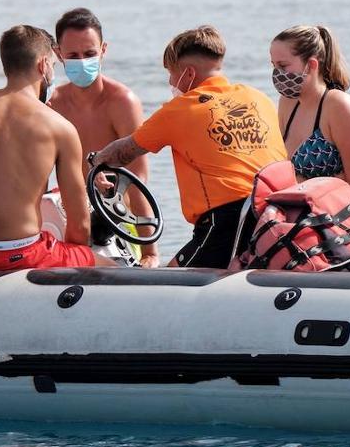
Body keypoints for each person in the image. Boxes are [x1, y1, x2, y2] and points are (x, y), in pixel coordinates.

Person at [92, 25, 287, 268]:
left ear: (189, 73)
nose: (171, 81)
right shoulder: (258, 98)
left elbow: (123, 153)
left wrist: (96, 161)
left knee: (167, 285)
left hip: (229, 219)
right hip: (278, 211)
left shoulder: (181, 108)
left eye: (171, 73)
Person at [0, 25, 106, 275]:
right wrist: (75, 260)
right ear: (43, 65)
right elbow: (79, 224)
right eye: (53, 64)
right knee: (112, 266)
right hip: (21, 254)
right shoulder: (60, 126)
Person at [48, 7, 159, 267]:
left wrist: (150, 253)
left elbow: (139, 178)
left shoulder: (122, 102)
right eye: (73, 55)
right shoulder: (51, 104)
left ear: (104, 50)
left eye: (89, 54)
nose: (82, 61)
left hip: (115, 218)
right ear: (57, 54)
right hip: (67, 215)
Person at [271, 24, 350, 199]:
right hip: (301, 215)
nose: (276, 73)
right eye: (273, 65)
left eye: (283, 65)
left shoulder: (339, 106)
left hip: (339, 216)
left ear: (311, 65)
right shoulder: (288, 102)